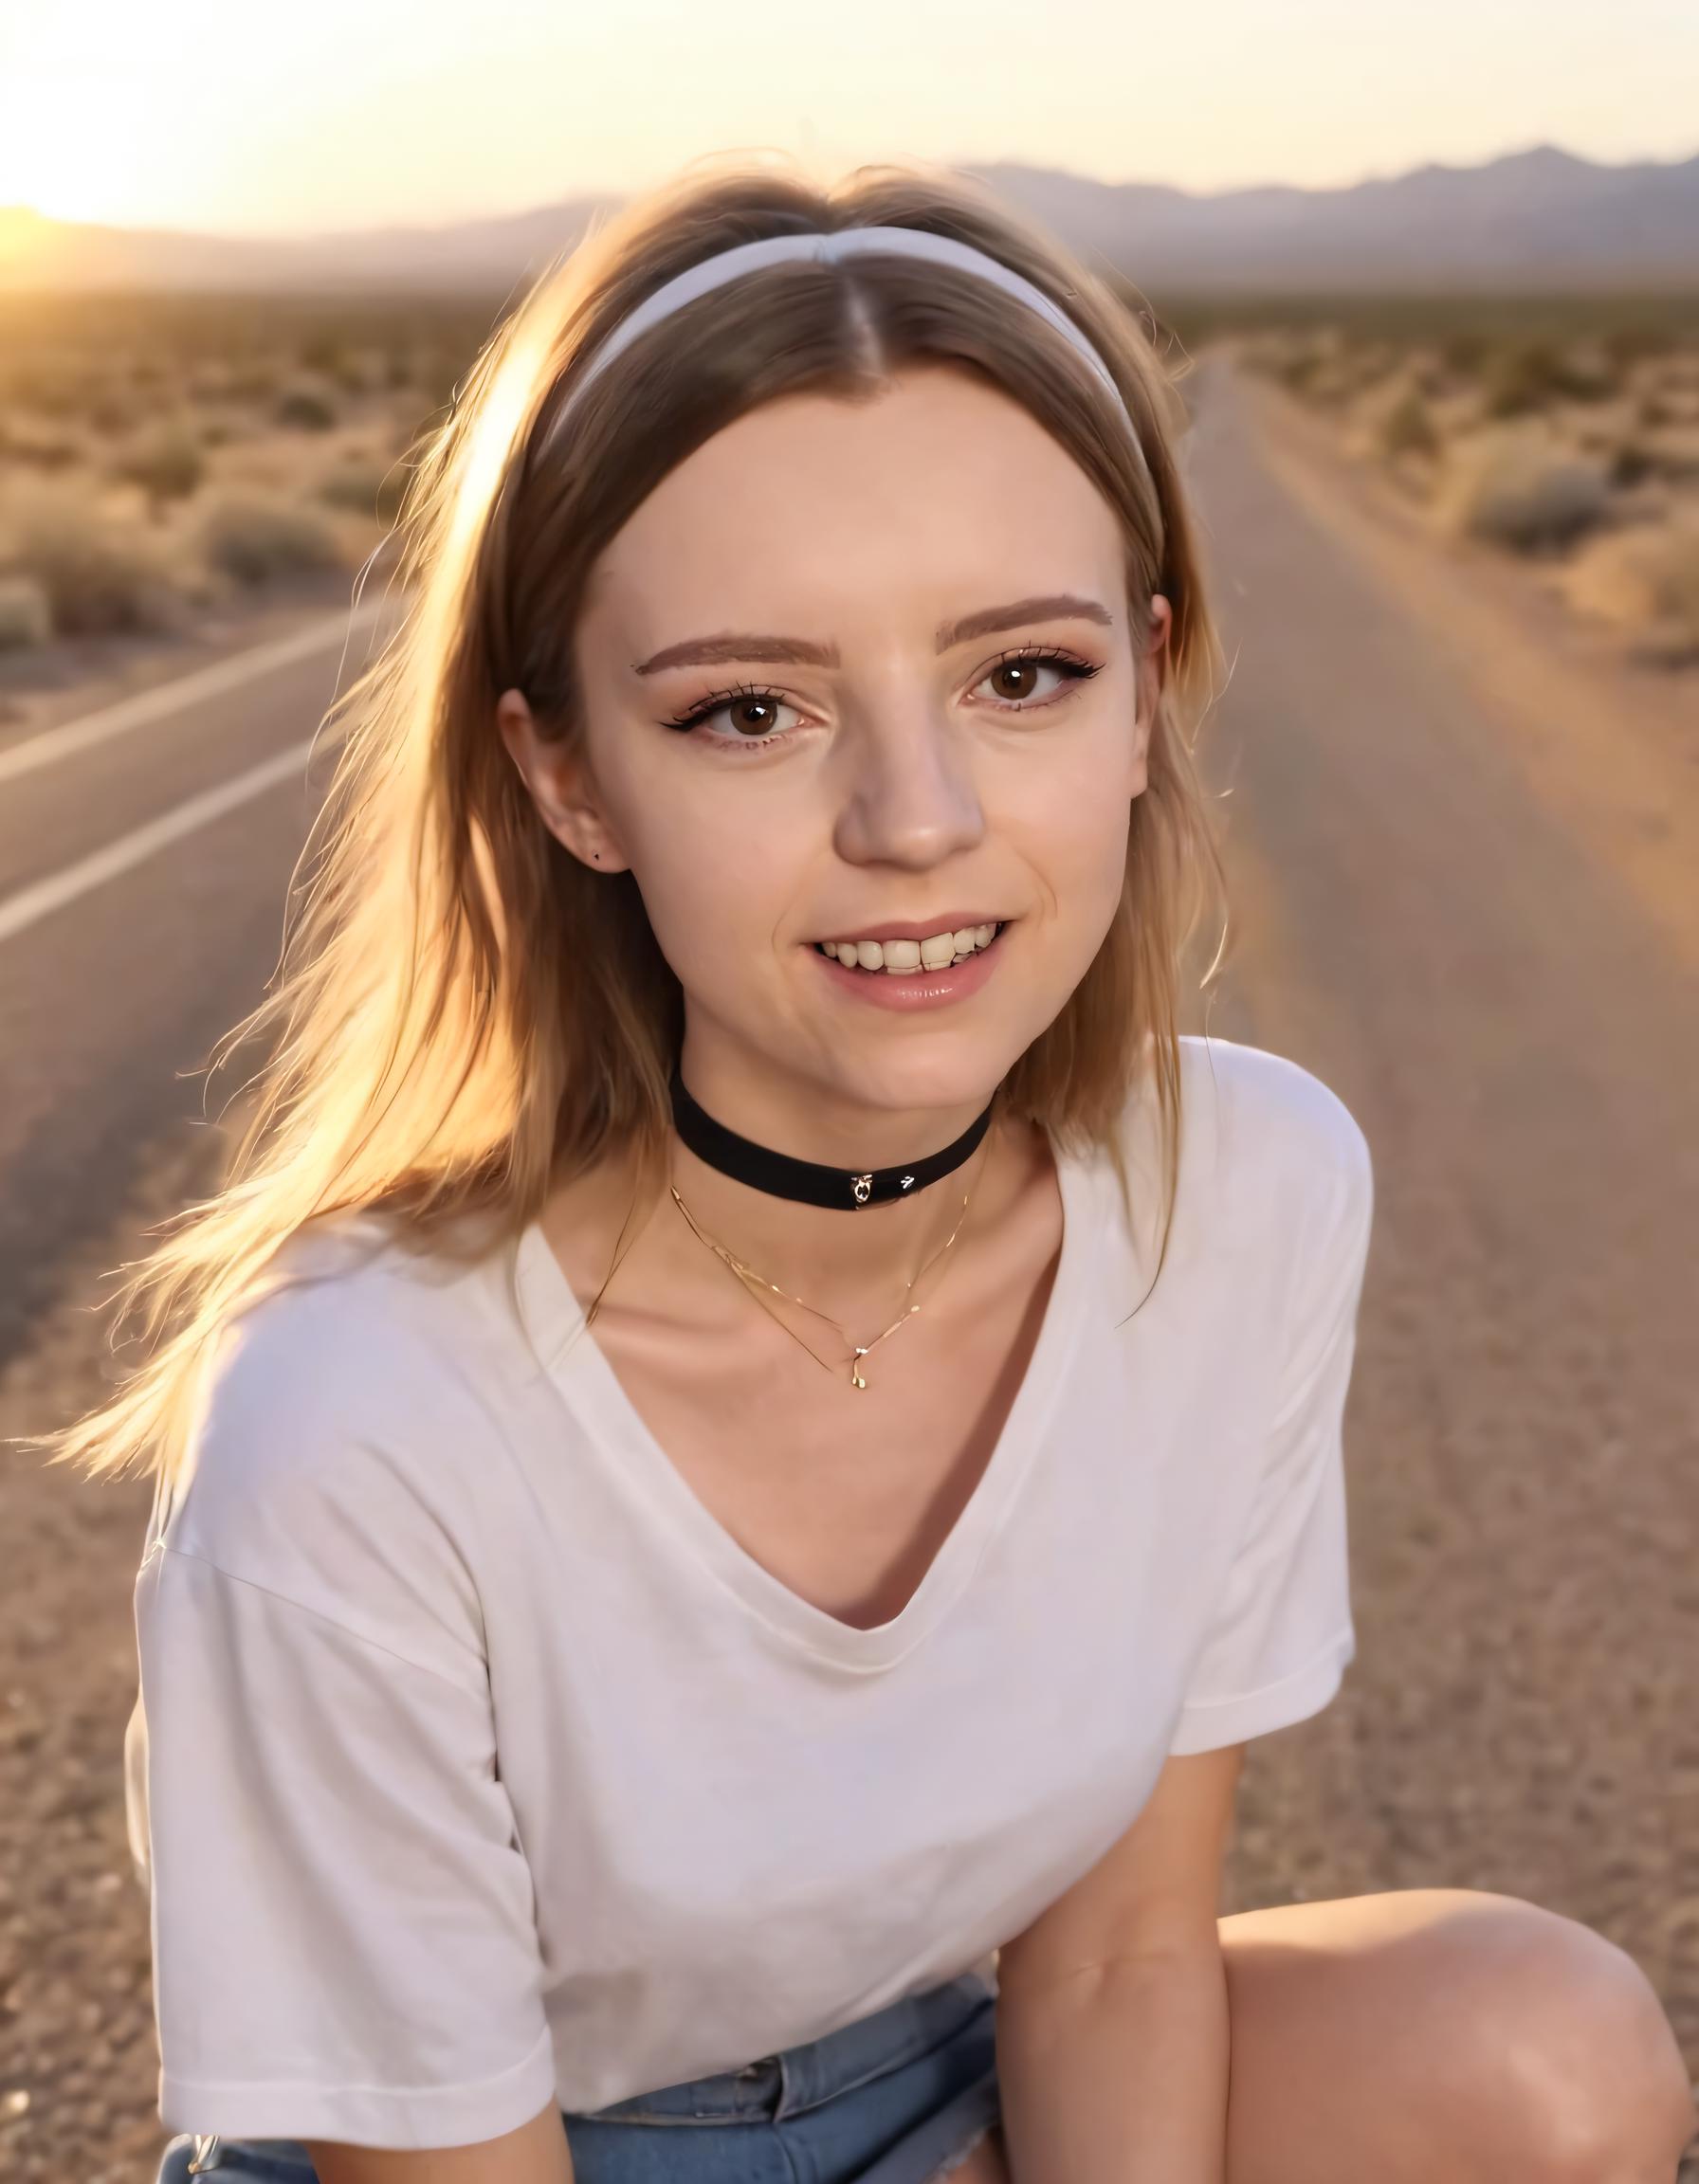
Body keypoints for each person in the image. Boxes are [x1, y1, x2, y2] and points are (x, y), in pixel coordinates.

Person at [32, 153, 1693, 2184]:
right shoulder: (356, 1422)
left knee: (1534, 2056)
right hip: (499, 2158)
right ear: (563, 773)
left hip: (933, 2093)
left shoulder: (1241, 1195)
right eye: (747, 709)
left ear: (1148, 685)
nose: (914, 821)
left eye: (1021, 677)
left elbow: (1107, 1969)